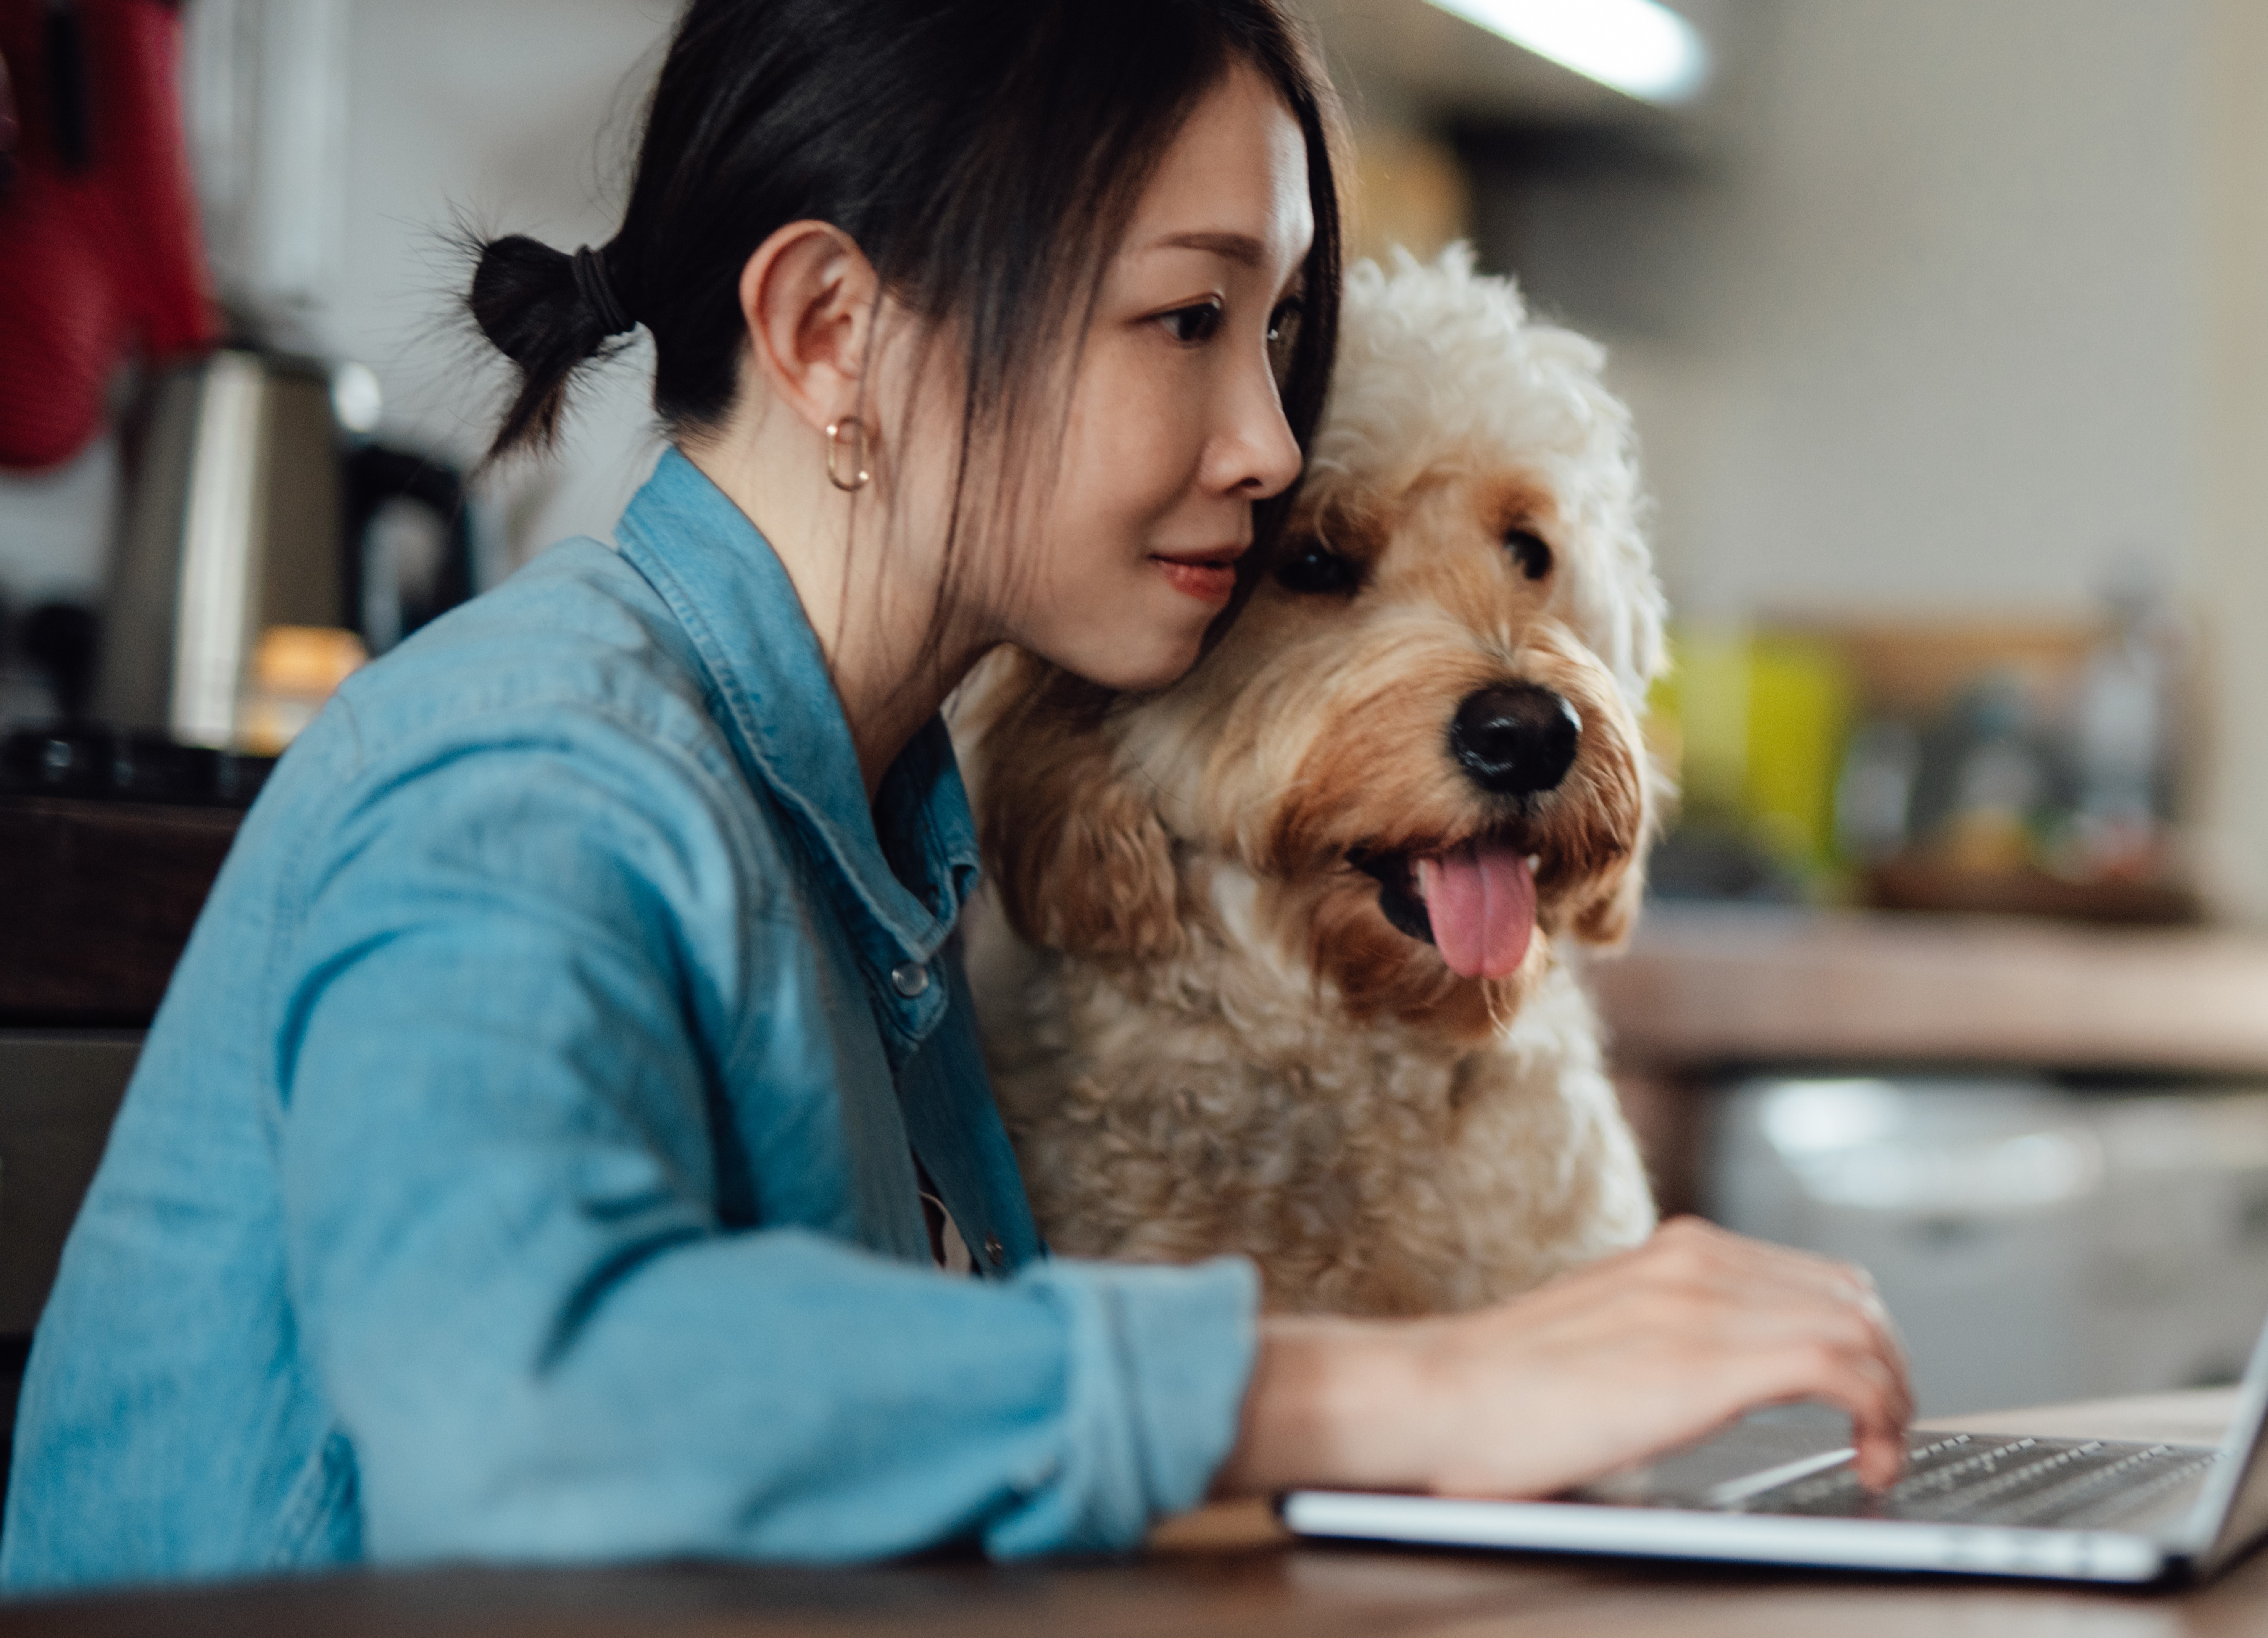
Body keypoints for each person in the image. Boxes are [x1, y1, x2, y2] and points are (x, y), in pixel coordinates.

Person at [1, 0, 1908, 1592]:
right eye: (1189, 320)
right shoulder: (531, 779)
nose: (1266, 442)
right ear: (832, 330)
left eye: (1275, 336)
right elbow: (517, 1405)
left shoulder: (869, 826)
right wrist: (1401, 1393)